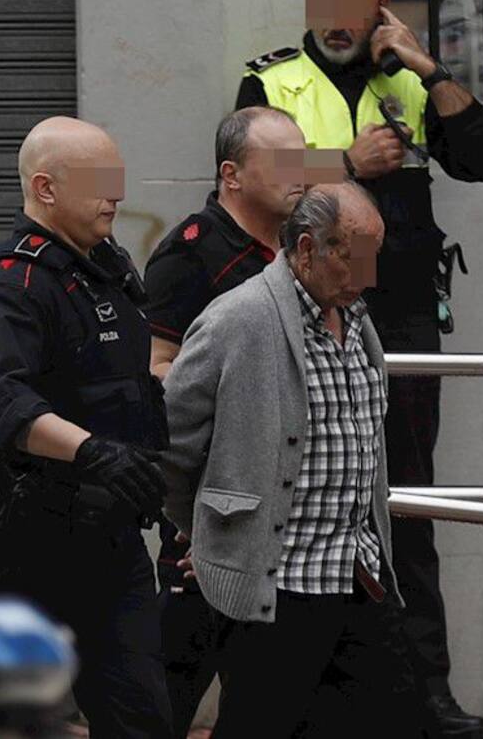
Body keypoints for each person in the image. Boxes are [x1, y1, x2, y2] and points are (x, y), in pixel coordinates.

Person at [236, 0, 483, 737]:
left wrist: (429, 68)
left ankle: (427, 695)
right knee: (306, 502)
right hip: (307, 323)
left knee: (406, 506)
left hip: (402, 326)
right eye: (324, 5)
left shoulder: (409, 81)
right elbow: (246, 181)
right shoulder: (273, 81)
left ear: (379, 9)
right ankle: (307, 700)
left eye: (352, 9)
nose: (337, 23)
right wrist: (345, 164)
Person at [160, 182, 421, 738]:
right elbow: (171, 441)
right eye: (354, 258)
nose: (369, 276)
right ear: (306, 249)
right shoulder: (238, 318)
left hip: (357, 574)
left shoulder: (355, 315)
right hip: (280, 586)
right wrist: (208, 533)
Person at [0, 116, 173, 738]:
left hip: (109, 539)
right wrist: (93, 452)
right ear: (45, 188)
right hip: (27, 541)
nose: (116, 196)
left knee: (142, 718)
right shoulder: (12, 281)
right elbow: (0, 401)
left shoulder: (107, 270)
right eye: (99, 181)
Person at [143, 105, 320, 737]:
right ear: (232, 174)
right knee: (172, 686)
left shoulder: (301, 251)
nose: (300, 173)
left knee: (269, 699)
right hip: (214, 509)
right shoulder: (190, 254)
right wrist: (196, 518)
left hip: (287, 515)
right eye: (281, 161)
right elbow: (158, 375)